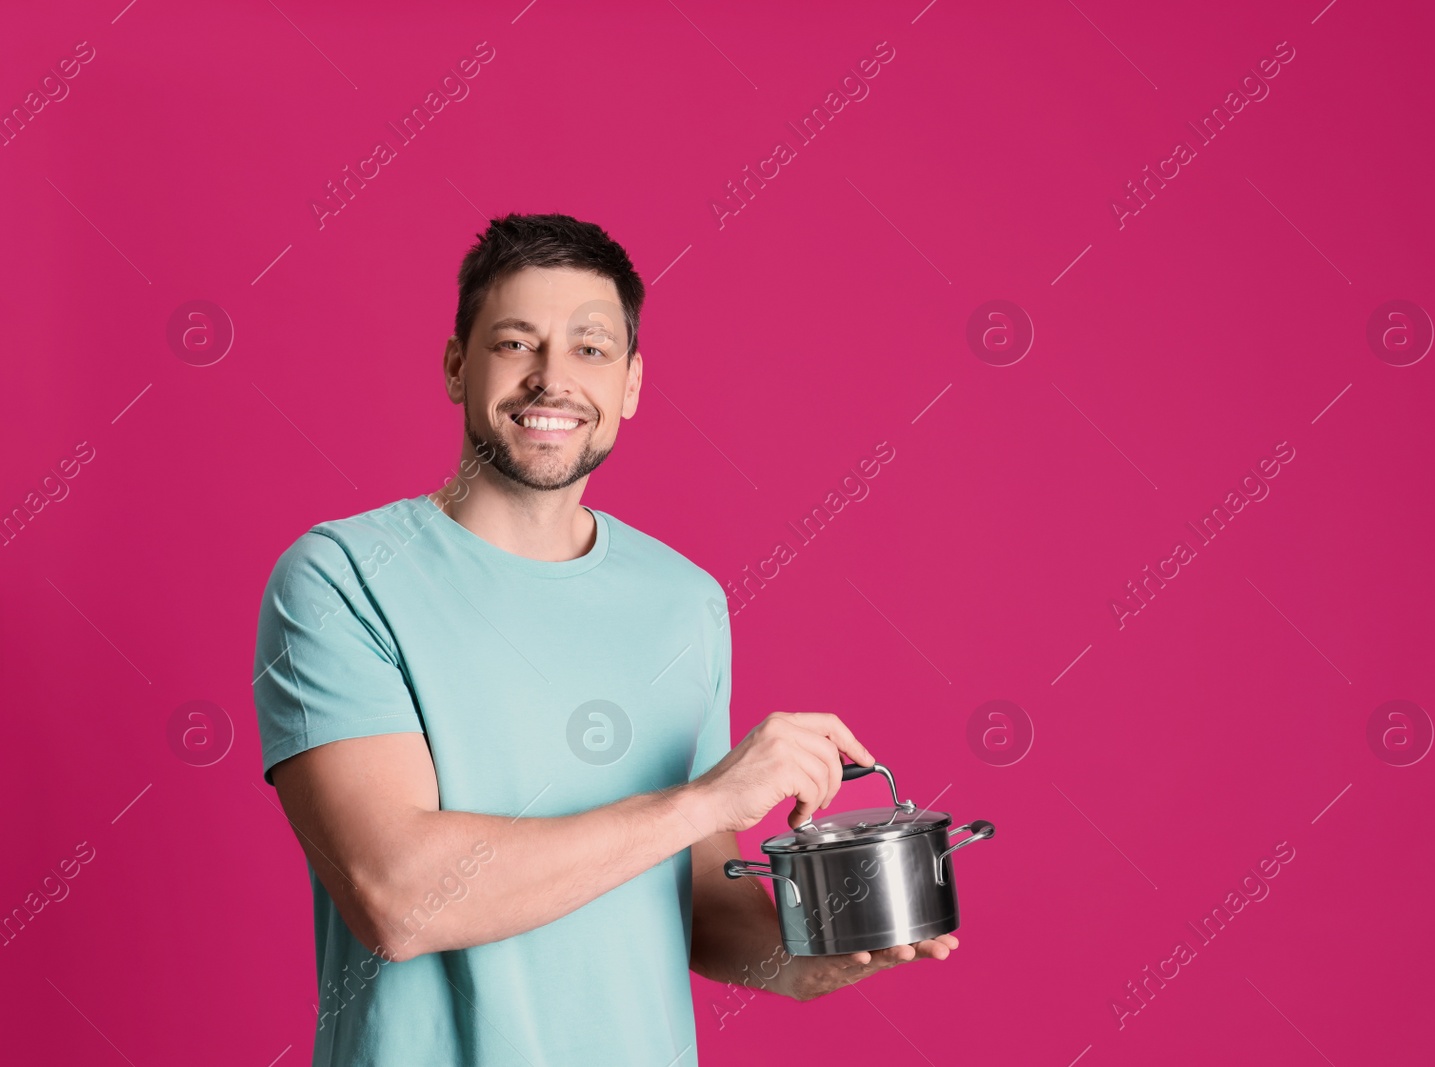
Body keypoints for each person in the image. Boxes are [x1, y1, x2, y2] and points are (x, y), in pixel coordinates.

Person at [251, 213, 958, 1066]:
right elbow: (399, 897)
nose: (553, 380)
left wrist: (815, 958)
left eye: (591, 349)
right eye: (517, 342)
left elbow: (692, 899)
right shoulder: (340, 578)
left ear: (629, 385)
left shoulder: (683, 601)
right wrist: (708, 798)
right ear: (454, 366)